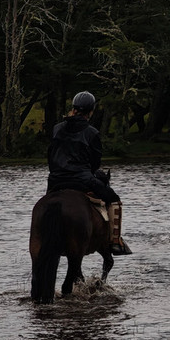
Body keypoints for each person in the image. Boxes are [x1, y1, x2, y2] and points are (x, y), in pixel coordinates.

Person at [47, 90, 131, 255]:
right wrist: (90, 173)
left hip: (55, 180)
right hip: (82, 179)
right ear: (91, 111)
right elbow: (95, 163)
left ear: (73, 108)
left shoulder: (57, 128)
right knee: (114, 199)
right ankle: (115, 241)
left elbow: (51, 155)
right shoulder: (92, 132)